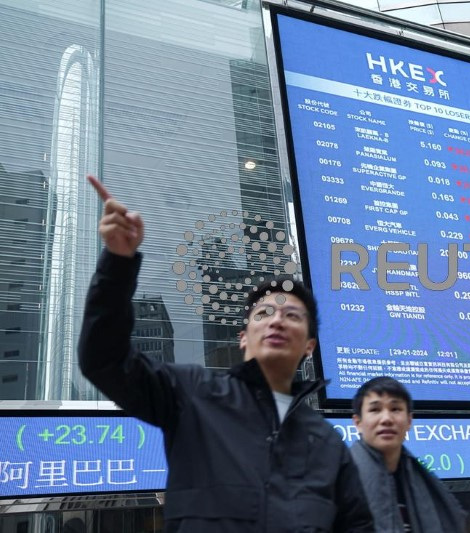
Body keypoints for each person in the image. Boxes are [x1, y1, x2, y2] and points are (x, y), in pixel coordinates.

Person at [78, 175, 374, 533]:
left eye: (292, 315)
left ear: (309, 346)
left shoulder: (325, 442)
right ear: (243, 338)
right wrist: (118, 262)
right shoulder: (192, 392)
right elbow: (103, 359)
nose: (277, 320)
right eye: (264, 313)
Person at [350, 376, 466, 533]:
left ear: (409, 421)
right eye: (375, 410)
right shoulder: (337, 479)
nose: (386, 419)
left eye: (395, 409)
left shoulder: (426, 483)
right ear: (358, 423)